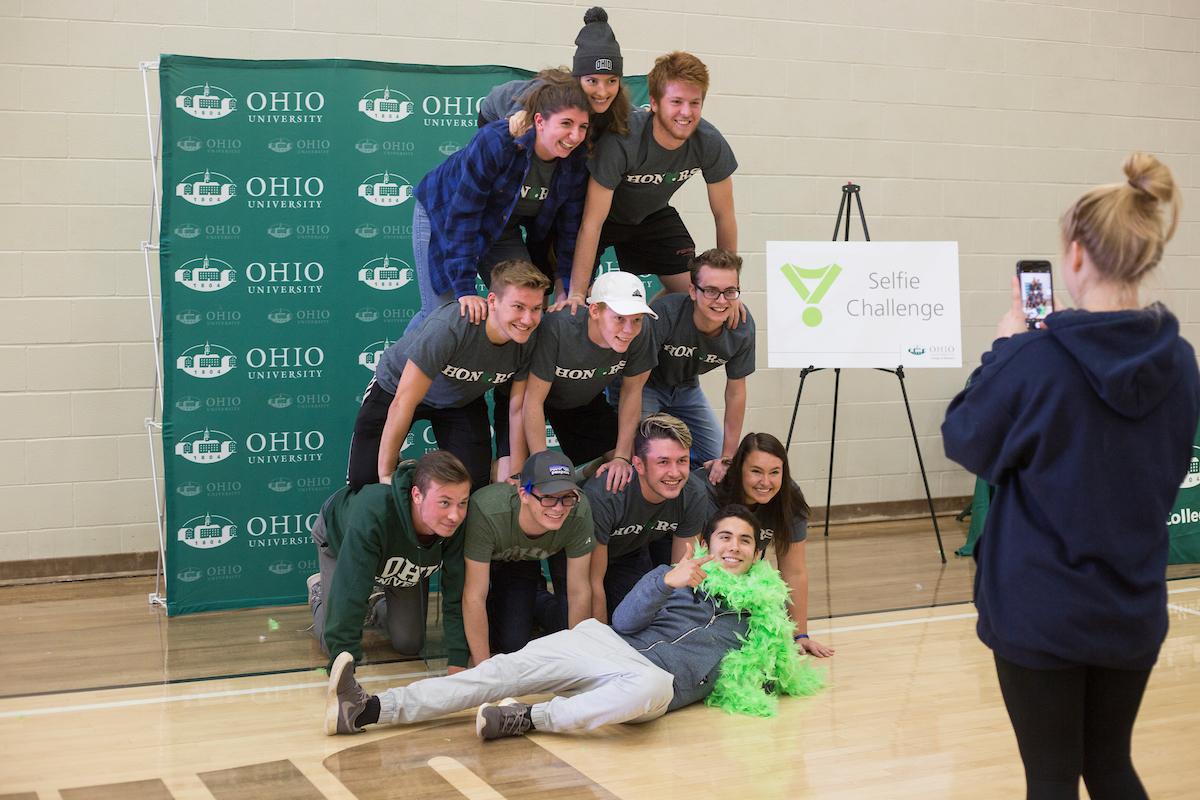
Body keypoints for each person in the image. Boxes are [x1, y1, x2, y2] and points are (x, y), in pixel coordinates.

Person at [941, 153, 1197, 800]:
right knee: (1111, 766)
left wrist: (1005, 347)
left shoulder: (1035, 358)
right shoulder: (1181, 362)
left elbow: (965, 438)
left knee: (1051, 777)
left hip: (1040, 611)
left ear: (1076, 257)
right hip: (1131, 604)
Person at [324, 505, 823, 738]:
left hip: (657, 683)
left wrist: (793, 643)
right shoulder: (676, 575)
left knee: (648, 687)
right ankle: (369, 709)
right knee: (499, 672)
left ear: (757, 552)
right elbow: (625, 622)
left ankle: (530, 718)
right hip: (605, 643)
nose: (732, 548)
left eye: (743, 541)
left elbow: (768, 672)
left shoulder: (763, 616)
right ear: (708, 544)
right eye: (724, 538)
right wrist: (666, 582)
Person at [558, 50, 737, 311]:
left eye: (694, 103)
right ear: (654, 103)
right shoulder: (623, 140)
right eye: (676, 102)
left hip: (650, 214)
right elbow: (592, 222)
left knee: (697, 297)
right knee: (576, 303)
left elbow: (724, 215)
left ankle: (646, 335)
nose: (686, 113)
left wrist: (728, 289)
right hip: (603, 217)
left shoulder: (709, 142)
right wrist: (576, 293)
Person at [345, 260, 546, 493]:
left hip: (459, 400)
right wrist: (386, 473)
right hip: (397, 388)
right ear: (492, 301)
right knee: (366, 484)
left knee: (473, 487)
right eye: (518, 307)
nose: (528, 319)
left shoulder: (529, 340)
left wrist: (516, 473)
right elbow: (404, 401)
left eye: (536, 308)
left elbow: (517, 409)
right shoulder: (452, 326)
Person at [407, 78, 591, 332]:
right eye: (566, 124)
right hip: (445, 216)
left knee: (526, 300)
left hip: (502, 228)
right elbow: (465, 214)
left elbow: (568, 229)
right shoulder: (497, 141)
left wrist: (565, 287)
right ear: (539, 121)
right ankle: (391, 371)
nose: (575, 136)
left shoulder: (576, 161)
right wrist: (465, 288)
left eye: (583, 127)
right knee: (445, 319)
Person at [307, 451, 472, 673]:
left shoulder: (456, 524)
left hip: (401, 562)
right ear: (417, 495)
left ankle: (375, 602)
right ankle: (319, 592)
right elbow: (350, 590)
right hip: (339, 541)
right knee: (334, 645)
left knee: (409, 643)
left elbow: (456, 596)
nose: (455, 515)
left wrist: (457, 661)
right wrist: (346, 672)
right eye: (444, 502)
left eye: (462, 502)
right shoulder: (373, 512)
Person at [516, 270, 658, 491]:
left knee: (628, 464)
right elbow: (533, 401)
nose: (629, 329)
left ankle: (582, 477)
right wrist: (541, 463)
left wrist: (621, 456)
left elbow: (632, 392)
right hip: (529, 401)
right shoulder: (559, 327)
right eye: (619, 318)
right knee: (517, 474)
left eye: (636, 319)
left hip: (582, 402)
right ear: (594, 311)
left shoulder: (641, 331)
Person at [461, 450, 594, 663]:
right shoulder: (487, 511)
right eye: (548, 497)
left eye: (567, 496)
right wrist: (483, 670)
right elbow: (474, 596)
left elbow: (580, 591)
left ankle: (536, 595)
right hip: (491, 566)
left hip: (525, 564)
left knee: (526, 638)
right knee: (498, 640)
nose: (559, 508)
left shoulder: (579, 510)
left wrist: (577, 660)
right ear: (524, 494)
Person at [708, 432, 832, 658]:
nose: (766, 482)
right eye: (756, 471)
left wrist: (800, 635)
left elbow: (794, 570)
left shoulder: (788, 497)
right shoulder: (712, 490)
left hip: (742, 576)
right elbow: (692, 563)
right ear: (738, 469)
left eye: (775, 472)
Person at [584, 413, 715, 620]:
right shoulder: (607, 494)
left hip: (629, 554)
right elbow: (592, 582)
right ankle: (539, 598)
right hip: (581, 560)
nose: (675, 473)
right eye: (663, 462)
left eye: (682, 461)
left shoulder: (693, 493)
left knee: (642, 618)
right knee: (575, 618)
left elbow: (680, 571)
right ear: (639, 465)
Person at [638, 248, 754, 470]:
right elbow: (633, 383)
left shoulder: (742, 326)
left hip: (686, 386)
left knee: (719, 460)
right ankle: (607, 458)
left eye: (730, 291)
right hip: (646, 384)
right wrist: (623, 454)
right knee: (644, 456)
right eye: (711, 291)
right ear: (693, 291)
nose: (721, 300)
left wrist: (727, 457)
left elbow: (736, 391)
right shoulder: (666, 313)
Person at [479, 7, 631, 149]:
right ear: (577, 79)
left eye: (611, 81)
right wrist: (522, 114)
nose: (602, 92)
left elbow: (633, 113)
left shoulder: (617, 103)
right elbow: (523, 111)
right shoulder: (554, 91)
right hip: (497, 110)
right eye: (592, 81)